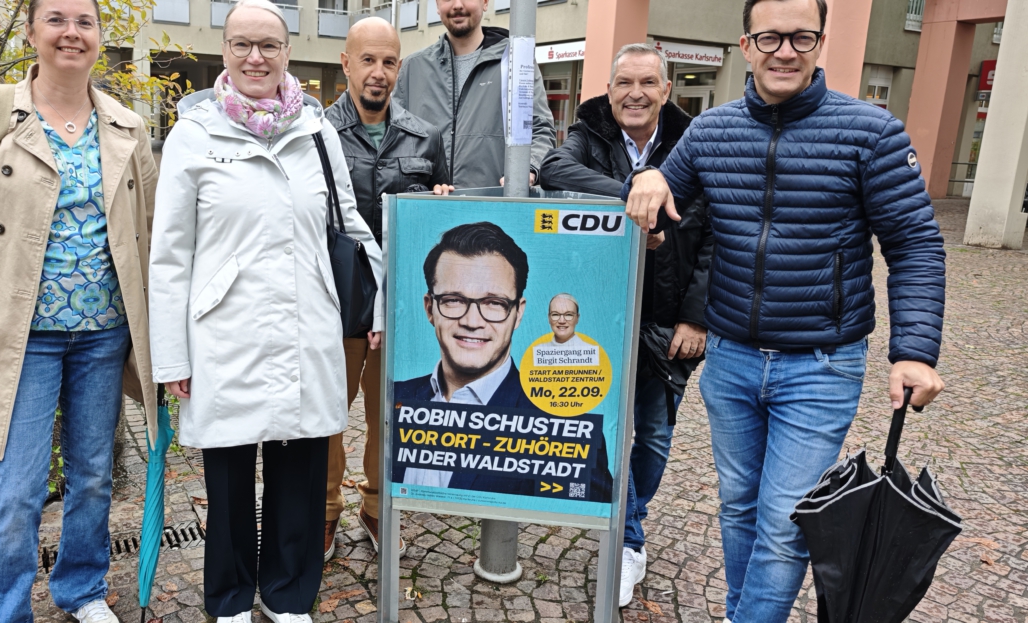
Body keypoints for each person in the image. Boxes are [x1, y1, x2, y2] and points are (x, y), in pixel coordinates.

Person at [622, 0, 947, 620]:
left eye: (801, 37)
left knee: (782, 521)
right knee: (740, 505)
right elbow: (659, 205)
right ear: (746, 46)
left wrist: (913, 352)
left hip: (821, 366)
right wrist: (649, 179)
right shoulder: (711, 131)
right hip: (731, 360)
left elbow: (914, 245)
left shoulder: (870, 133)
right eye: (770, 36)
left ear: (820, 43)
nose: (785, 51)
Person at [0, 0, 159, 619]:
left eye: (84, 22)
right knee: (19, 487)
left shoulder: (127, 129)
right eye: (56, 19)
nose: (71, 33)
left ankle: (82, 588)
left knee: (93, 477)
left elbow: (152, 235)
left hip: (104, 334)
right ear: (31, 31)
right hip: (17, 336)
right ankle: (5, 608)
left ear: (100, 36)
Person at [148, 1, 383, 622]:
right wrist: (171, 352)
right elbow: (169, 254)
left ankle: (288, 595)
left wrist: (375, 298)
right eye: (243, 45)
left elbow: (349, 225)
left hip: (307, 325)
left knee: (300, 468)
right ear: (225, 52)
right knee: (227, 476)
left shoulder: (316, 130)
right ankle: (228, 600)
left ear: (287, 54)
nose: (257, 57)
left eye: (270, 46)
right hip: (225, 334)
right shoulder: (193, 136)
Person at [537, 42, 714, 608]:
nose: (634, 93)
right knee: (609, 428)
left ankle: (625, 521)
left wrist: (696, 316)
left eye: (646, 83)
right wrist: (634, 192)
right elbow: (556, 170)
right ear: (609, 90)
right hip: (601, 310)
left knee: (655, 434)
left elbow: (716, 238)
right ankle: (627, 540)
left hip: (668, 318)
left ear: (665, 90)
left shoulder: (695, 141)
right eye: (623, 83)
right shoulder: (588, 131)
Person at [322, 17, 449, 561]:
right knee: (327, 413)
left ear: (400, 66)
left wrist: (444, 201)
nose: (378, 73)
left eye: (389, 61)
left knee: (391, 412)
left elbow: (438, 225)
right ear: (346, 63)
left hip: (399, 305)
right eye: (368, 60)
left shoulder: (425, 135)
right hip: (337, 299)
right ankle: (324, 511)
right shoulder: (315, 132)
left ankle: (376, 507)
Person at [392, 223, 613, 500]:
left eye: (494, 303)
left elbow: (587, 520)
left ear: (518, 314)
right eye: (453, 300)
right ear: (430, 308)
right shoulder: (394, 398)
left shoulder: (564, 423)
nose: (472, 322)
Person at [392, 0, 555, 188]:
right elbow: (394, 139)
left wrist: (528, 168)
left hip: (492, 206)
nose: (457, 5)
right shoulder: (413, 68)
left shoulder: (514, 62)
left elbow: (540, 129)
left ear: (485, 2)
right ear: (437, 6)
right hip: (429, 206)